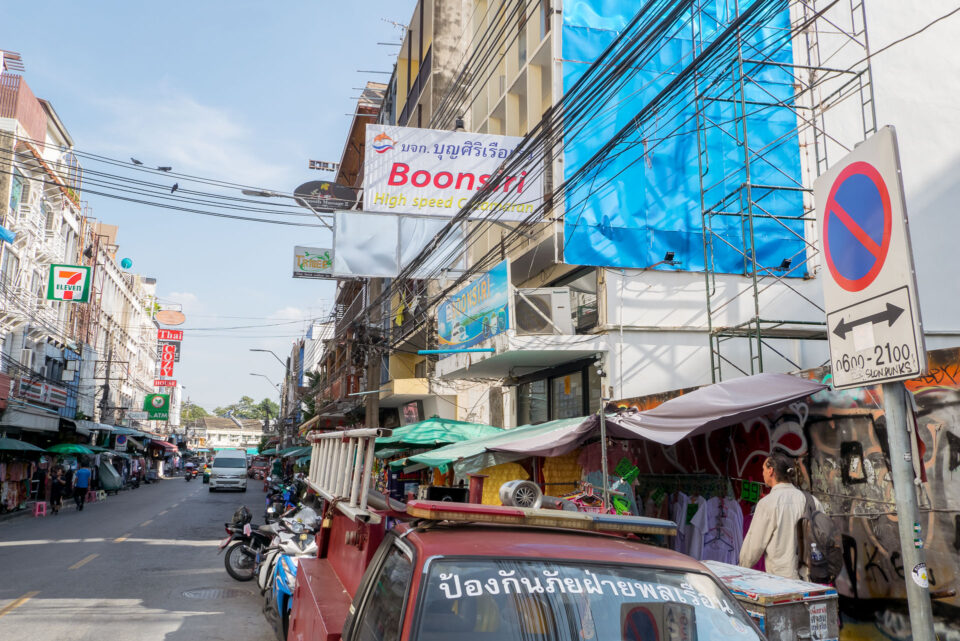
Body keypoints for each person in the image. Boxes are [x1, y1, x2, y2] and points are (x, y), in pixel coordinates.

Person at [739, 453, 815, 579]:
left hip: (780, 581)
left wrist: (742, 569)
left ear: (771, 471)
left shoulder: (768, 503)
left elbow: (753, 547)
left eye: (763, 469)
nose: (762, 473)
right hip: (809, 580)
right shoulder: (811, 500)